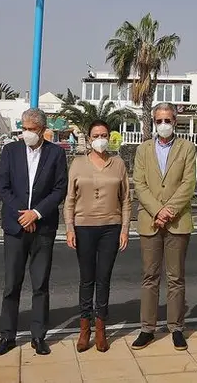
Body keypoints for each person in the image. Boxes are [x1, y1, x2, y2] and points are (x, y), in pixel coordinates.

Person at [0, 108, 69, 357]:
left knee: (40, 284)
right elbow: (2, 186)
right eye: (23, 129)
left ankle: (38, 336)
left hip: (42, 227)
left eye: (31, 130)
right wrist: (23, 215)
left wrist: (36, 213)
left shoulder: (56, 153)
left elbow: (59, 189)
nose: (27, 134)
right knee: (11, 284)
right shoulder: (10, 151)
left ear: (42, 130)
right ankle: (7, 336)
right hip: (15, 227)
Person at [131, 103, 197, 352]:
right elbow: (139, 183)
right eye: (159, 120)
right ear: (153, 122)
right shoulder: (143, 149)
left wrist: (168, 211)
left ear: (175, 120)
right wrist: (157, 211)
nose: (163, 125)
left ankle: (176, 327)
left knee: (176, 277)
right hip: (150, 221)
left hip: (177, 221)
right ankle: (147, 328)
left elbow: (188, 183)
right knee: (150, 276)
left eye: (167, 120)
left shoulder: (187, 147)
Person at [65, 120, 131, 353]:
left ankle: (101, 327)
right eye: (96, 135)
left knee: (103, 279)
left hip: (110, 228)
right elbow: (70, 199)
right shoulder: (78, 163)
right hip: (84, 227)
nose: (100, 139)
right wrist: (70, 228)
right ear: (89, 138)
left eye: (104, 135)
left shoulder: (118, 164)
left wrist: (124, 229)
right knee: (87, 279)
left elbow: (126, 200)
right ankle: (85, 328)